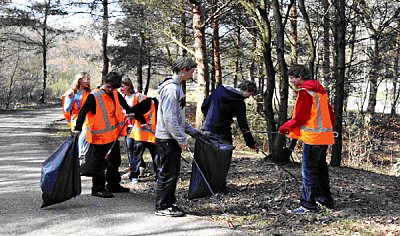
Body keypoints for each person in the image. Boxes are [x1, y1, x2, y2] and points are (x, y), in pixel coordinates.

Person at [278, 64, 336, 214]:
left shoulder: (305, 92)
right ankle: (325, 199)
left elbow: (300, 117)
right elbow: (331, 115)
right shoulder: (320, 92)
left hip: (313, 138)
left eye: (292, 77)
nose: (290, 80)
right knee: (320, 169)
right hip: (324, 137)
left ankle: (308, 205)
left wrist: (285, 127)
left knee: (308, 171)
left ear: (300, 77)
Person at [72, 72, 133, 198]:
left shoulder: (115, 93)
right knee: (99, 164)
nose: (110, 90)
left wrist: (129, 110)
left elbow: (122, 102)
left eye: (113, 88)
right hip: (99, 137)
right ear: (104, 82)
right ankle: (97, 189)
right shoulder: (94, 96)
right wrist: (77, 128)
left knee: (115, 161)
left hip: (112, 135)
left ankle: (113, 184)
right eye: (109, 87)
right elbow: (83, 112)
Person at [154, 57, 200, 217]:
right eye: (192, 70)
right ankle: (162, 206)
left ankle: (169, 203)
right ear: (183, 70)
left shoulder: (177, 88)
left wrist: (192, 131)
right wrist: (181, 139)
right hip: (167, 139)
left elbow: (178, 116)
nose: (193, 74)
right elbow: (169, 118)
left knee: (172, 173)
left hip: (171, 138)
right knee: (167, 173)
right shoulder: (172, 89)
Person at [119, 77, 158, 184]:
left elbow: (145, 109)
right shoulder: (121, 97)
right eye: (120, 86)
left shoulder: (139, 96)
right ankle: (135, 170)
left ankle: (138, 171)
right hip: (128, 128)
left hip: (140, 128)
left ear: (129, 86)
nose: (121, 89)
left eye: (123, 86)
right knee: (131, 151)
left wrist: (141, 120)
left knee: (139, 151)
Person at [201, 80, 258, 149]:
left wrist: (210, 118)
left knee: (206, 156)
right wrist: (250, 143)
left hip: (207, 129)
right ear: (247, 89)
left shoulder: (219, 91)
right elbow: (243, 124)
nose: (249, 97)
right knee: (223, 157)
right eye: (250, 94)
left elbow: (204, 106)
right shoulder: (239, 102)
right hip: (222, 133)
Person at [61, 72, 92, 172]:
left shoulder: (90, 92)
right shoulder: (71, 92)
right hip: (75, 119)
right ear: (79, 80)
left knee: (84, 137)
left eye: (89, 78)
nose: (88, 80)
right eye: (85, 78)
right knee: (78, 141)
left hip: (87, 119)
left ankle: (81, 161)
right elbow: (66, 109)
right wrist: (71, 99)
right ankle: (77, 164)